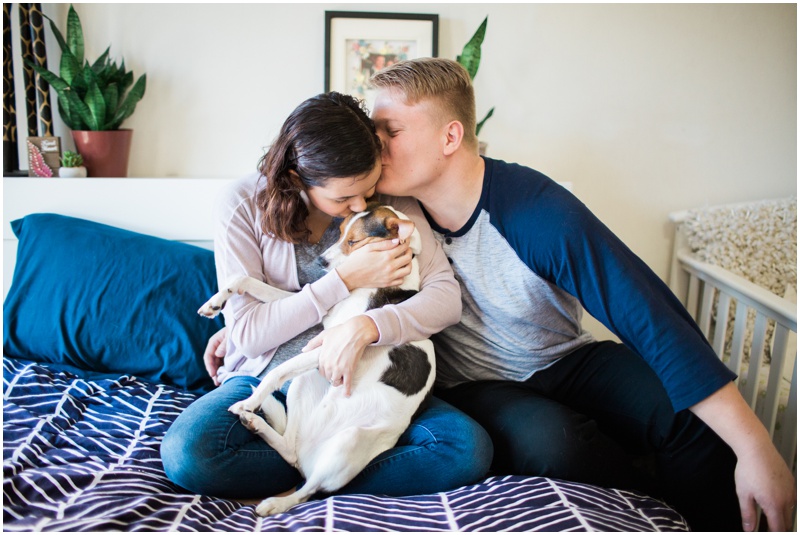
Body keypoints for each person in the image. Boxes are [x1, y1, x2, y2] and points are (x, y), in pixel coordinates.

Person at [203, 62, 796, 530]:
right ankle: (649, 493)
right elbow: (333, 287)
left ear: (449, 136)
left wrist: (758, 446)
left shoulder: (536, 210)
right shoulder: (388, 209)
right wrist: (246, 328)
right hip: (475, 382)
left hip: (566, 357)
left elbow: (647, 312)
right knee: (555, 445)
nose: (374, 148)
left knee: (685, 418)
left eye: (389, 131)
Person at [161, 91, 492, 501]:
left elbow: (445, 297)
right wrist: (346, 279)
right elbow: (248, 335)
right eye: (342, 198)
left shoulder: (386, 206)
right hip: (273, 378)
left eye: (368, 189)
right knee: (187, 455)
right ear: (299, 178)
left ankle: (317, 474)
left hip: (369, 386)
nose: (360, 204)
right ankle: (328, 471)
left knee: (467, 451)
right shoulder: (243, 203)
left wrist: (366, 326)